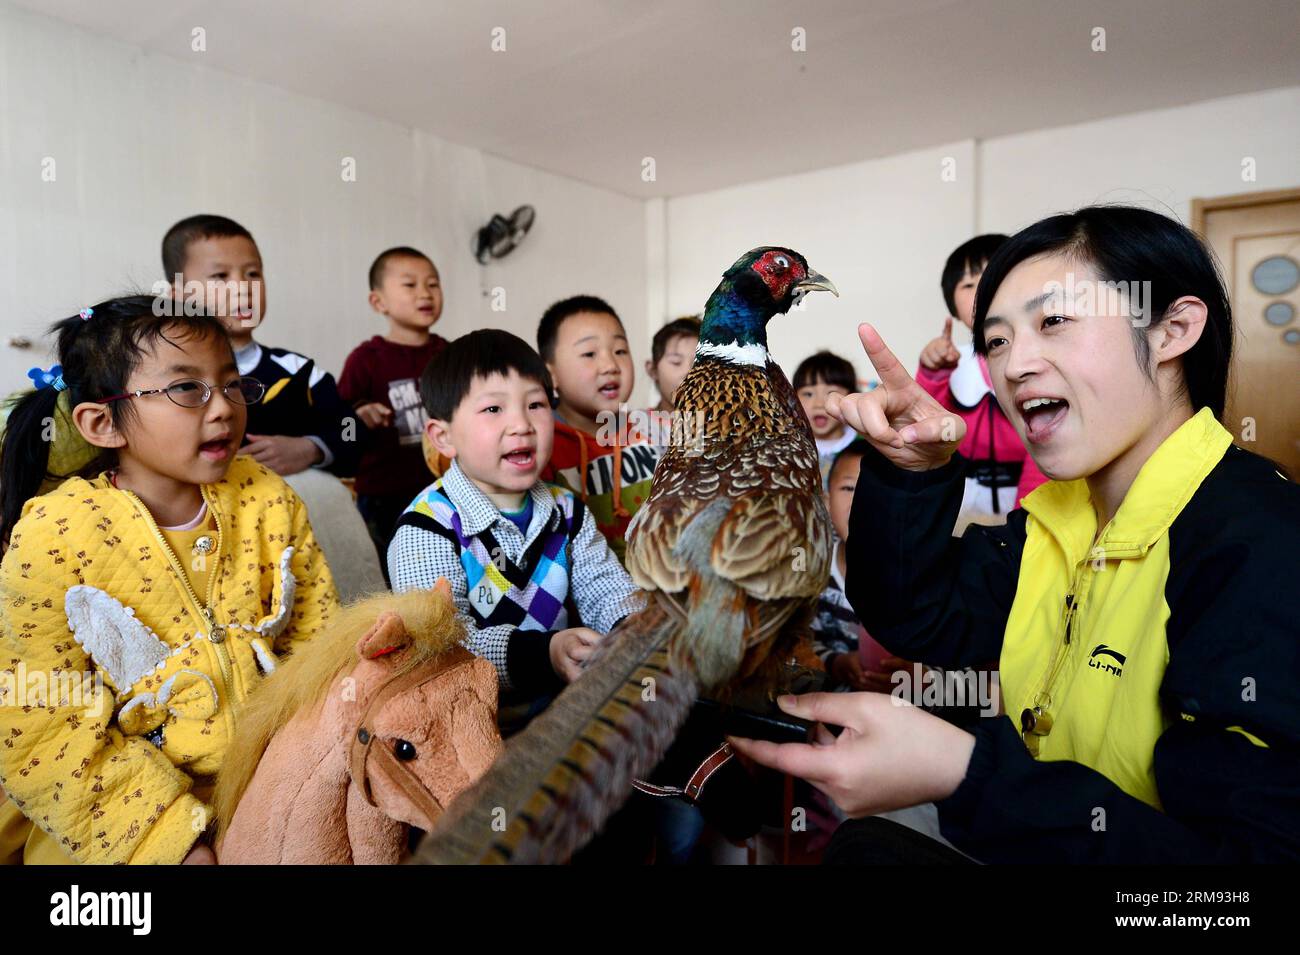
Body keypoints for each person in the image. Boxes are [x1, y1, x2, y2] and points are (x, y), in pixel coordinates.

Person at [731, 206, 1300, 863]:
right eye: (995, 341)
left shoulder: (1261, 542)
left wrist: (962, 769)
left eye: (1054, 321)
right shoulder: (1055, 522)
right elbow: (917, 613)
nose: (1016, 364)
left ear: (1173, 329)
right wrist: (911, 473)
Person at [0, 296, 338, 864]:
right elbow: (45, 726)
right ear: (102, 422)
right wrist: (173, 840)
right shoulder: (53, 537)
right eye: (187, 389)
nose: (224, 408)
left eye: (232, 385)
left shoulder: (270, 500)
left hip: (270, 784)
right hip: (118, 819)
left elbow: (317, 647)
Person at [387, 329, 643, 730]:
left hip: (566, 714)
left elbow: (606, 587)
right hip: (471, 729)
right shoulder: (426, 528)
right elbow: (443, 649)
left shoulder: (566, 510)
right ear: (444, 437)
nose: (522, 424)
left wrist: (627, 630)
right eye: (493, 410)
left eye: (536, 404)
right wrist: (546, 653)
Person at [162, 214, 358, 477]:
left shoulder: (298, 371)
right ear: (179, 295)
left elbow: (352, 429)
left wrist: (310, 448)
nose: (243, 288)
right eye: (220, 276)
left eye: (253, 273)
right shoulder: (162, 378)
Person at [916, 234, 1045, 523]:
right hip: (962, 499)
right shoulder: (951, 359)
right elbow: (928, 425)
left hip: (1033, 502)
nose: (982, 290)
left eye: (994, 278)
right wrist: (933, 372)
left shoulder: (1042, 359)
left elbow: (1048, 444)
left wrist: (1025, 519)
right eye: (969, 285)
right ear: (952, 306)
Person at [339, 247, 451, 567]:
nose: (425, 293)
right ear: (379, 302)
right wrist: (359, 417)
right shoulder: (366, 359)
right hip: (383, 498)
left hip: (446, 490)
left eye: (433, 284)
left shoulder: (450, 355)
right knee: (391, 573)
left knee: (441, 572)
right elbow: (339, 423)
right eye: (410, 285)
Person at [538, 295, 661, 563]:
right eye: (589, 354)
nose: (610, 366)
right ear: (551, 375)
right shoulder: (541, 449)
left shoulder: (656, 431)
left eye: (620, 351)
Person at [792, 350, 859, 490]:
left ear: (851, 397)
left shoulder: (864, 444)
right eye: (808, 394)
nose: (819, 404)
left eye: (831, 393)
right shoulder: (789, 445)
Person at [643, 316, 700, 449]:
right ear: (653, 370)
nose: (689, 373)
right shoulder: (635, 427)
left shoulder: (724, 428)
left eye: (698, 364)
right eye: (676, 362)